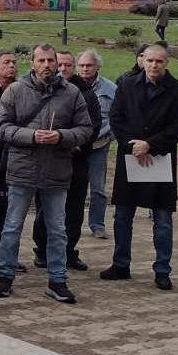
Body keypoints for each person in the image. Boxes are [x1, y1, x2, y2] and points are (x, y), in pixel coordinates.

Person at [0, 44, 94, 303]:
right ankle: (5, 276)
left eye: (50, 60)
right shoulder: (15, 90)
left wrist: (61, 136)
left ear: (57, 63)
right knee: (12, 226)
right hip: (22, 168)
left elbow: (85, 129)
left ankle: (57, 280)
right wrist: (31, 136)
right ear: (32, 63)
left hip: (56, 169)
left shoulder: (72, 93)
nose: (46, 65)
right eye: (41, 60)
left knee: (57, 229)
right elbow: (1, 126)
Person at [104, 43, 178, 290]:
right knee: (123, 215)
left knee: (162, 219)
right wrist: (133, 145)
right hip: (130, 156)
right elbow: (116, 118)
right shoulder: (125, 86)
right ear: (142, 61)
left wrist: (150, 145)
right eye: (150, 60)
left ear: (167, 63)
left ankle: (162, 270)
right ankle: (120, 264)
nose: (154, 65)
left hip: (160, 159)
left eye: (159, 61)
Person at [30, 49, 101, 272]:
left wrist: (75, 144)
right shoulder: (41, 89)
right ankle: (42, 250)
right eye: (58, 64)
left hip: (76, 159)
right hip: (48, 159)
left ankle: (69, 251)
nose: (62, 69)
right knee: (45, 208)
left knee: (74, 208)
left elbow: (93, 125)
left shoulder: (85, 93)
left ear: (74, 67)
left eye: (67, 65)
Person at [73, 51, 118, 241]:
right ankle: (69, 224)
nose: (85, 69)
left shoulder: (111, 88)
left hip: (99, 146)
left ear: (97, 66)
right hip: (74, 147)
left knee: (98, 188)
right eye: (82, 65)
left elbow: (118, 117)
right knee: (72, 187)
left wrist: (110, 137)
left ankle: (97, 225)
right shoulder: (69, 86)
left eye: (89, 65)